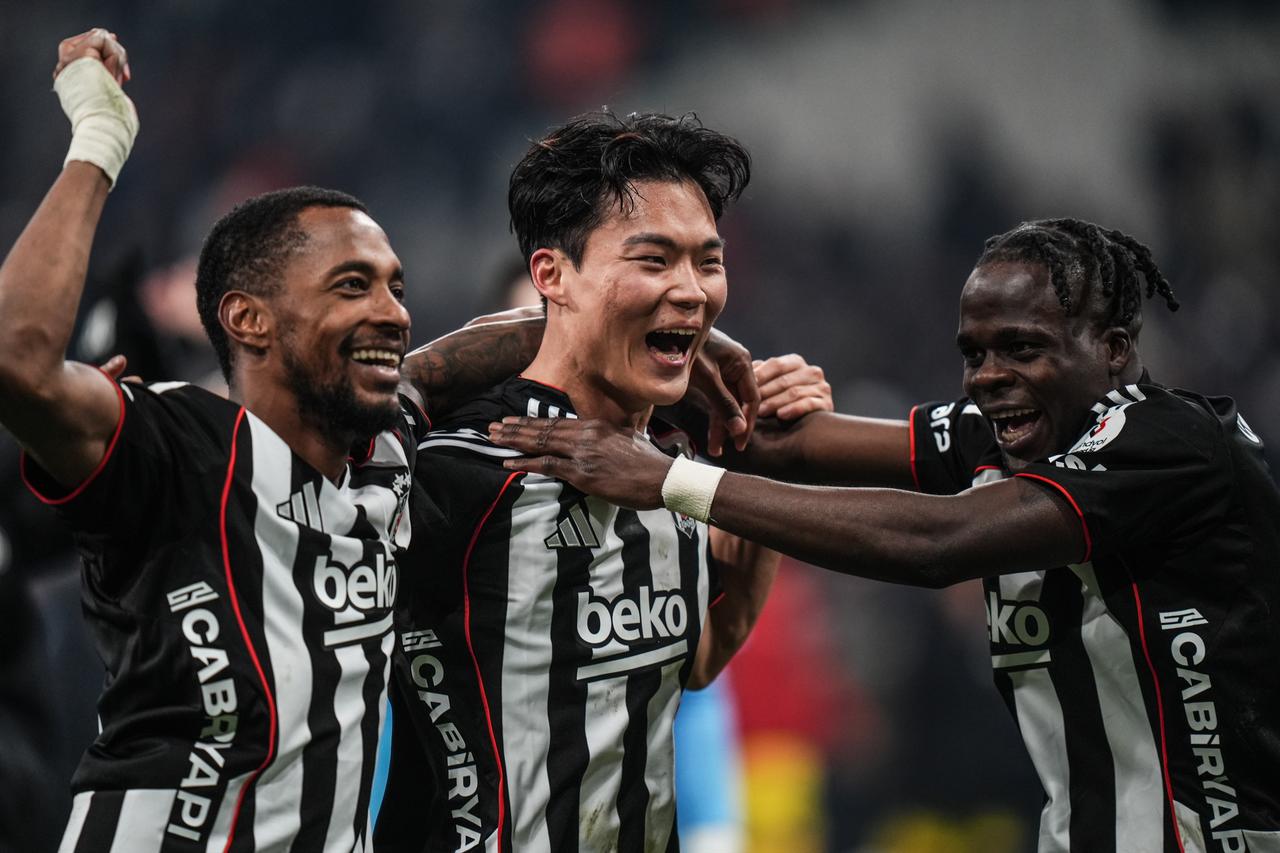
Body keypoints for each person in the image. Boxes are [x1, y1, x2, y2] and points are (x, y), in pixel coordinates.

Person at [0, 32, 760, 852]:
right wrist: (99, 141)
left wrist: (642, 319)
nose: (393, 311)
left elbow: (439, 366)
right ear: (248, 319)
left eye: (397, 286)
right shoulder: (170, 440)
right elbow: (18, 360)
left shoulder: (389, 453)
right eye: (353, 285)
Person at [490, 218, 1280, 851]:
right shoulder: (1007, 434)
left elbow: (937, 543)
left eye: (1023, 348)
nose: (989, 376)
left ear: (1112, 352)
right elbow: (786, 447)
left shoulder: (1171, 443)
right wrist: (633, 361)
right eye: (974, 353)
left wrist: (669, 479)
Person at [374, 111, 828, 853]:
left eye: (706, 262)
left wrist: (759, 459)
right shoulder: (458, 467)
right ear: (551, 275)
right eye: (654, 260)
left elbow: (693, 663)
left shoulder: (675, 465)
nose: (691, 292)